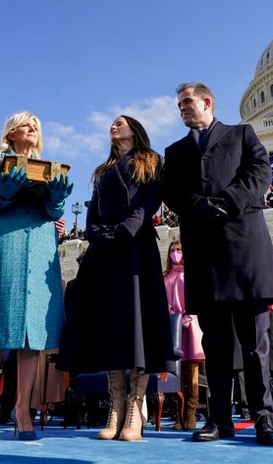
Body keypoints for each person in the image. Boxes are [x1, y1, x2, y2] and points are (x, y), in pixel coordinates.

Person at [162, 82, 273, 446]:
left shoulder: (242, 134)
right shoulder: (176, 150)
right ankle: (219, 420)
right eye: (179, 104)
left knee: (254, 343)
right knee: (215, 346)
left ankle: (263, 417)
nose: (182, 108)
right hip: (205, 255)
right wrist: (196, 205)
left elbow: (259, 173)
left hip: (245, 250)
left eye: (187, 102)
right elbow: (171, 190)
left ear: (207, 101)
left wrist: (227, 202)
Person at [59, 115, 176, 442]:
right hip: (105, 253)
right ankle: (116, 406)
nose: (114, 126)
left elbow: (149, 201)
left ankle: (135, 407)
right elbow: (93, 207)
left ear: (135, 129)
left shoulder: (151, 161)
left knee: (137, 326)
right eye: (112, 123)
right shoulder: (102, 170)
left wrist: (125, 230)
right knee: (110, 327)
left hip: (136, 249)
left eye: (121, 122)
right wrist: (97, 233)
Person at [0, 111, 72, 443]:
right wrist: (3, 193)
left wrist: (57, 199)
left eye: (36, 124)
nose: (32, 128)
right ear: (11, 134)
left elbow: (54, 213)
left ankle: (23, 409)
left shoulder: (50, 168)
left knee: (31, 332)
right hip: (3, 244)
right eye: (25, 124)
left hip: (39, 246)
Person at [164, 241, 205, 430]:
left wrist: (188, 315)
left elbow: (196, 296)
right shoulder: (165, 277)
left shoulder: (191, 274)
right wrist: (173, 316)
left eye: (179, 250)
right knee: (176, 372)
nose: (175, 253)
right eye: (172, 250)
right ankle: (177, 416)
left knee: (192, 370)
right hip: (173, 326)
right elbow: (164, 301)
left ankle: (190, 413)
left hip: (191, 325)